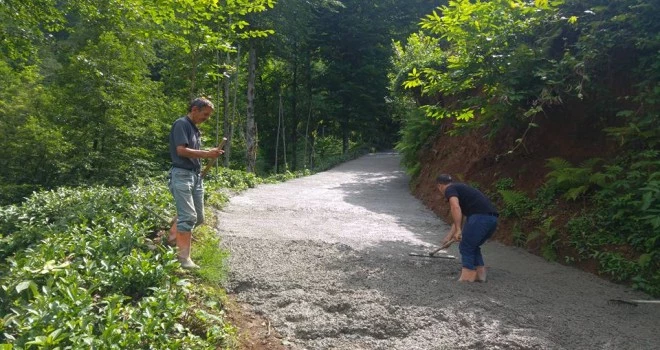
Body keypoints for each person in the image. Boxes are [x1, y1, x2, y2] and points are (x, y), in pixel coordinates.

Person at [167, 97, 224, 269]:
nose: (206, 118)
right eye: (205, 114)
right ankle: (183, 259)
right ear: (194, 109)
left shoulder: (195, 130)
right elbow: (181, 151)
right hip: (181, 175)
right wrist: (207, 154)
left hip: (195, 176)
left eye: (208, 115)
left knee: (198, 217)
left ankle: (170, 239)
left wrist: (208, 155)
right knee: (188, 217)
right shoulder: (181, 124)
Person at [436, 174, 498, 282]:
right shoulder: (460, 188)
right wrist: (449, 237)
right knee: (473, 245)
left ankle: (467, 277)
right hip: (492, 219)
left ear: (439, 186)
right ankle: (480, 276)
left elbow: (455, 207)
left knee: (466, 246)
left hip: (479, 218)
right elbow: (458, 218)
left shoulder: (449, 189)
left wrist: (459, 230)